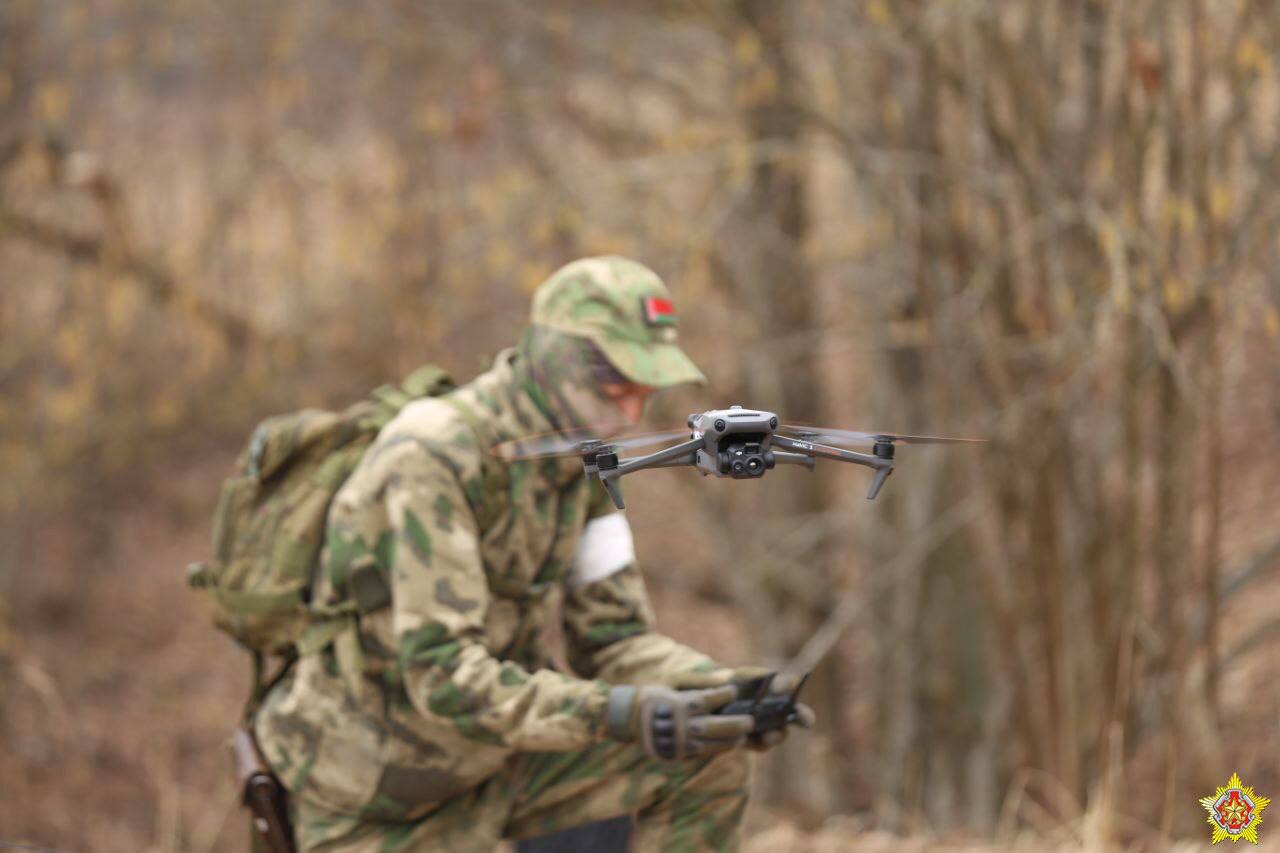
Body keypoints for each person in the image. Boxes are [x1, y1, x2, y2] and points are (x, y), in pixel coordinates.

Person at [254, 256, 811, 852]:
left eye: (645, 391)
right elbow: (442, 676)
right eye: (618, 386)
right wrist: (617, 712)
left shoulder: (581, 462)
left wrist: (715, 692)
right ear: (556, 361)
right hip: (378, 796)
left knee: (708, 754)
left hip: (498, 765)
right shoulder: (433, 455)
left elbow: (615, 639)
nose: (632, 413)